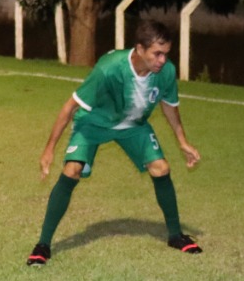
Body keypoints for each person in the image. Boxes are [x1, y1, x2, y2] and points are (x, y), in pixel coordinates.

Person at [27, 19, 203, 266]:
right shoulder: (109, 69)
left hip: (133, 126)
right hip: (94, 122)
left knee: (161, 168)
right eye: (157, 54)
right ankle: (42, 245)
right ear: (140, 49)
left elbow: (169, 106)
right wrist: (49, 150)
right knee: (72, 170)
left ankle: (175, 235)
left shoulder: (166, 72)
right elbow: (70, 107)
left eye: (166, 54)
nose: (162, 60)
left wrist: (183, 142)